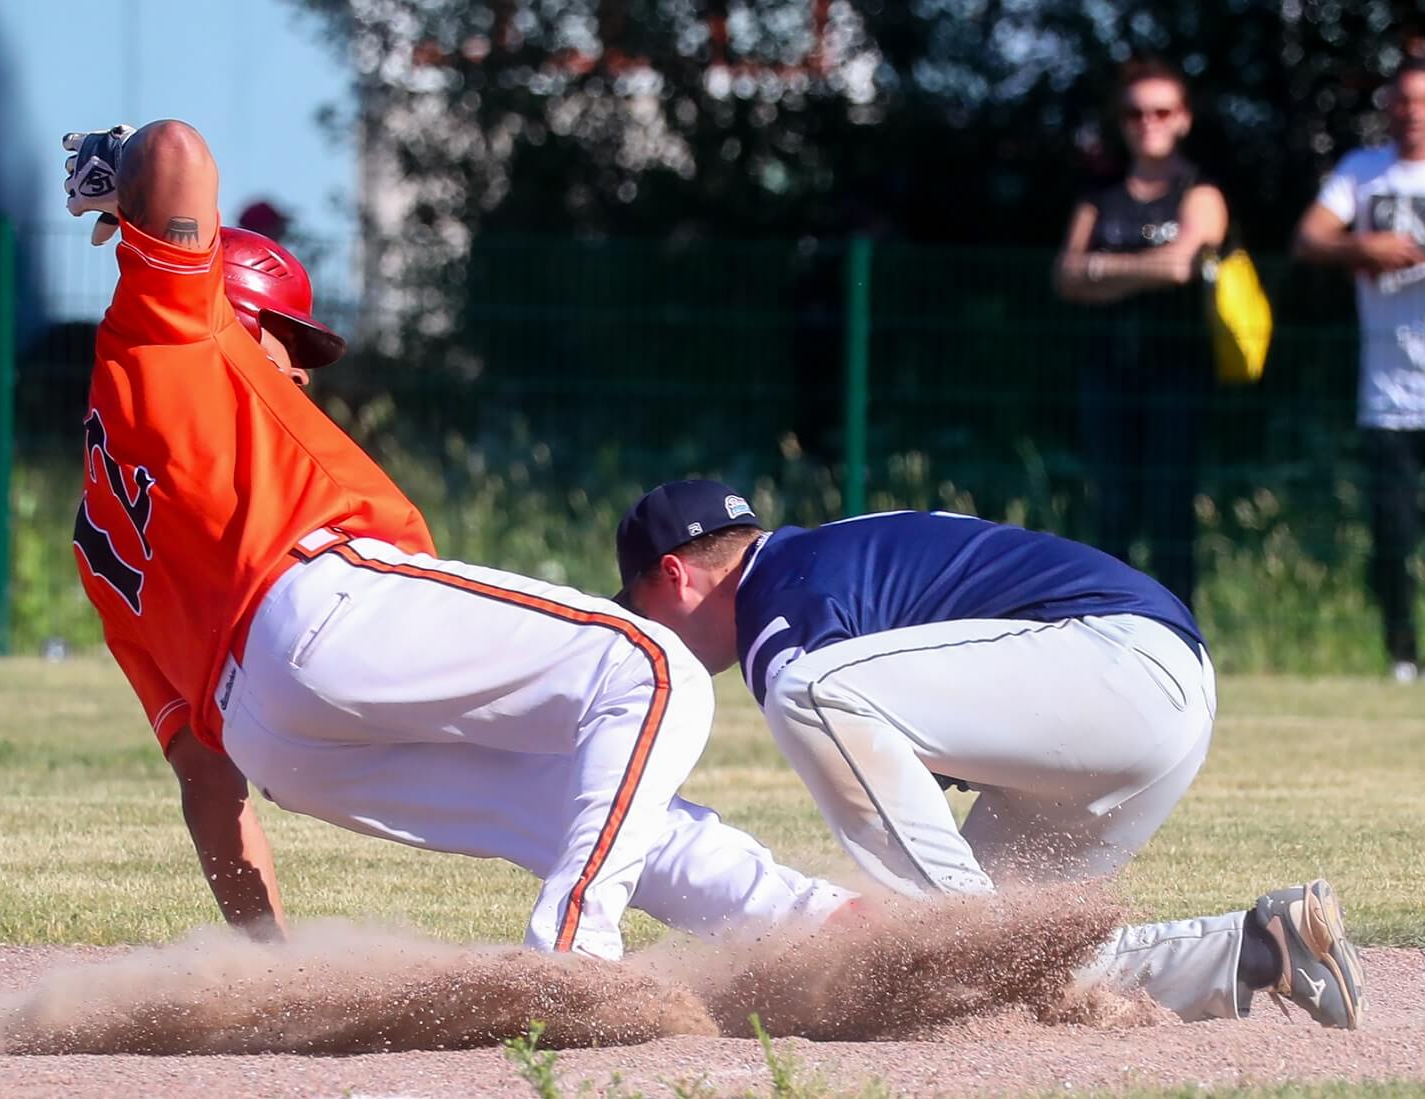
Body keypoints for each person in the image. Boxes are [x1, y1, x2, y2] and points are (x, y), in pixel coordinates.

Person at [61, 119, 852, 960]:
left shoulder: (105, 537)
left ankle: (826, 931)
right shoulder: (171, 329)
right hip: (320, 610)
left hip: (278, 744)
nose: (297, 370)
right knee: (656, 671)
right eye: (283, 336)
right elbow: (177, 149)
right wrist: (115, 168)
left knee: (580, 799)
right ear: (224, 305)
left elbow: (207, 784)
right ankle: (570, 953)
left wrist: (271, 965)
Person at [612, 479, 1366, 1027]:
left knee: (808, 693)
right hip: (1139, 695)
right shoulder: (818, 564)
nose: (647, 633)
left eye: (638, 608)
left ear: (674, 575)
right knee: (1007, 965)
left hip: (1112, 661)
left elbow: (839, 716)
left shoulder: (776, 605)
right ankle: (1265, 947)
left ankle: (961, 928)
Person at [1292, 54, 1425, 682]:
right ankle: (1401, 655)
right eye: (1401, 100)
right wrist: (1360, 245)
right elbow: (1310, 238)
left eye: (1424, 100)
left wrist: (1412, 248)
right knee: (1391, 529)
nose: (1411, 112)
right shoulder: (1362, 172)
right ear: (1388, 108)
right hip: (1386, 387)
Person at [1055, 59, 1229, 609]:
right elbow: (1065, 275)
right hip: (1107, 369)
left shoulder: (1199, 191)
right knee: (1111, 508)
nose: (1147, 122)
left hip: (1178, 370)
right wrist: (1140, 271)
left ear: (1183, 119)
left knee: (1170, 508)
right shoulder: (1098, 194)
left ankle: (1177, 633)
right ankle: (1109, 627)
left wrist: (1103, 270)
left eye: (1161, 111)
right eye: (1134, 112)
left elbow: (1181, 267)